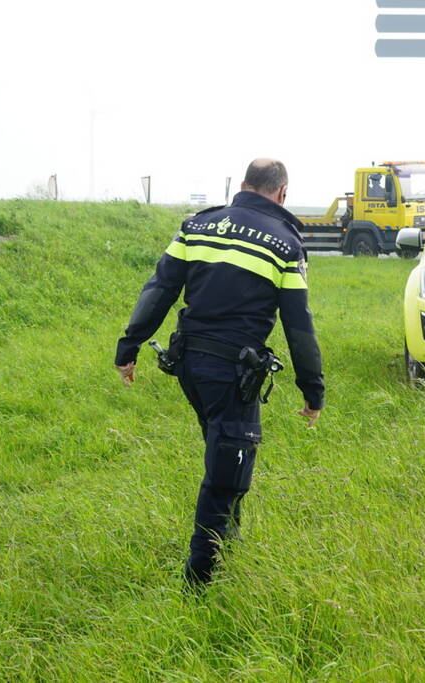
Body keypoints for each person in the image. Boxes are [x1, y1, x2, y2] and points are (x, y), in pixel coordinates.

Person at [114, 158, 325, 585]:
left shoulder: (197, 226)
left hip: (190, 364)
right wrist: (312, 386)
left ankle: (229, 547)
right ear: (282, 193)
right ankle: (201, 583)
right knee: (227, 474)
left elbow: (160, 288)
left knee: (227, 453)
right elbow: (298, 323)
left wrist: (129, 345)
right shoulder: (285, 243)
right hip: (231, 370)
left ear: (243, 185)